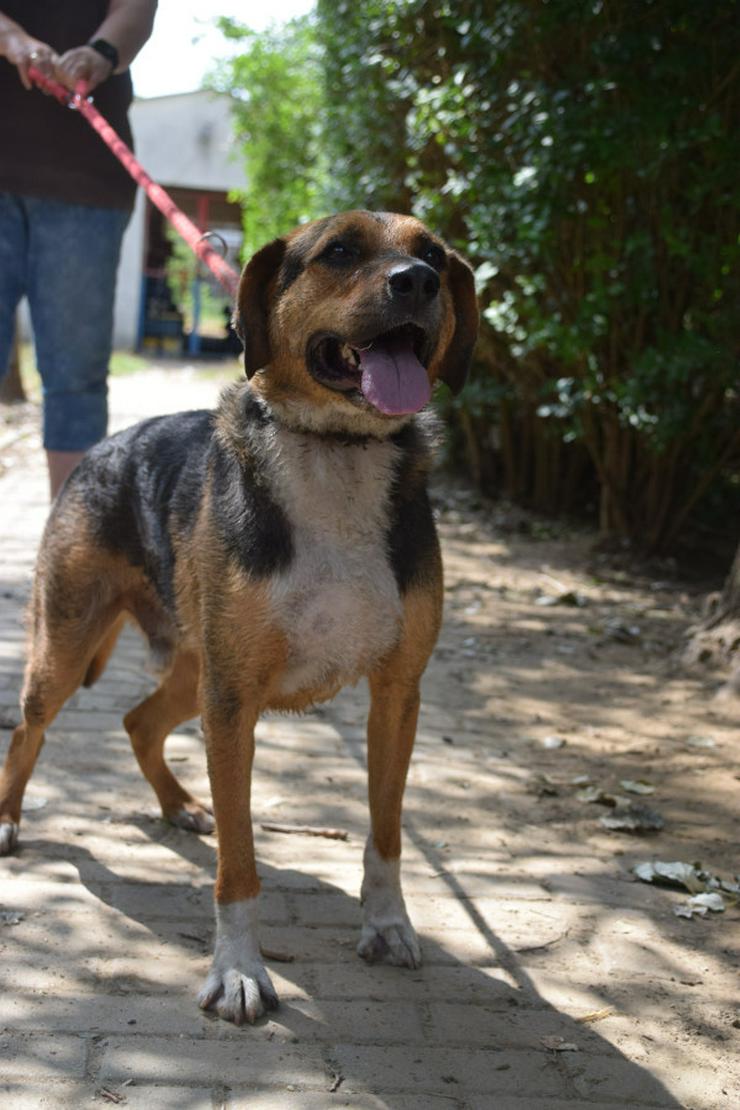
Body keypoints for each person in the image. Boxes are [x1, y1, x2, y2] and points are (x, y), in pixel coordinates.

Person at [0, 1, 157, 498]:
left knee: (76, 380)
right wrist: (13, 39)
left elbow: (136, 8)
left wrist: (100, 54)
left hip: (85, 182)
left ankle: (72, 561)